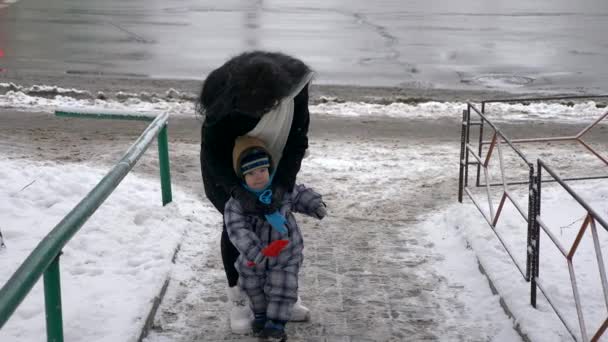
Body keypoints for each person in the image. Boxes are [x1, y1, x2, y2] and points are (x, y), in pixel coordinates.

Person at [197, 51, 314, 332]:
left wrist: (283, 184)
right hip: (225, 169)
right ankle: (238, 299)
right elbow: (214, 153)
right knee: (236, 227)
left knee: (278, 225)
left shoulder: (295, 84)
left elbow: (297, 138)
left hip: (271, 162)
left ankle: (280, 297)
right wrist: (238, 191)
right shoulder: (224, 96)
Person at [226, 136, 326, 339]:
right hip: (255, 258)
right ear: (241, 176)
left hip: (285, 253)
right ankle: (261, 316)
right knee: (254, 289)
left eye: (262, 170)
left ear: (269, 169)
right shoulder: (237, 203)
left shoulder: (280, 190)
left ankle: (276, 325)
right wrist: (256, 252)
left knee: (283, 286)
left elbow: (298, 194)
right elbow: (236, 230)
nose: (258, 177)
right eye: (251, 173)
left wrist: (315, 204)